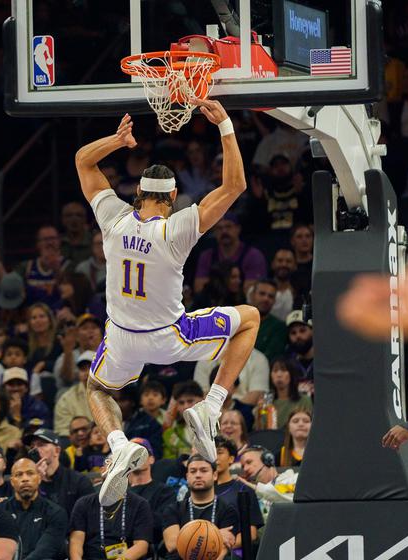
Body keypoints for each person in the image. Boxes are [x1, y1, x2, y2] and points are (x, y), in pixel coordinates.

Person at [75, 104, 260, 506]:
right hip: (170, 338)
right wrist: (225, 126)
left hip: (122, 338)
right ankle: (211, 407)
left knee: (96, 389)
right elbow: (234, 186)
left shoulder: (113, 218)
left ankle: (118, 443)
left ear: (137, 194)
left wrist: (118, 141)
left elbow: (83, 161)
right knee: (250, 318)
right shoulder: (176, 228)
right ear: (173, 196)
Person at [161, 456, 239, 559]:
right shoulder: (173, 509)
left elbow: (223, 549)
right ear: (187, 477)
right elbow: (171, 544)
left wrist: (189, 538)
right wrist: (215, 536)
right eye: (193, 471)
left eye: (203, 470)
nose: (198, 475)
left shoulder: (228, 510)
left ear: (214, 475)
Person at [1, 458, 68, 560]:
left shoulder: (55, 512)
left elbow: (46, 550)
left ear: (39, 478)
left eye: (30, 473)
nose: (25, 479)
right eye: (19, 474)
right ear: (12, 482)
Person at [68, 488, 153, 560]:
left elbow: (141, 546)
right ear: (103, 471)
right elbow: (76, 542)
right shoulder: (84, 503)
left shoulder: (140, 504)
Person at [27, 428, 95, 517]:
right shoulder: (29, 483)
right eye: (32, 447)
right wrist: (37, 482)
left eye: (41, 445)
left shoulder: (78, 481)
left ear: (57, 451)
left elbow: (91, 515)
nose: (35, 450)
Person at [127, 438, 176, 551]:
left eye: (141, 452)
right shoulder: (119, 493)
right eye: (131, 453)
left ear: (151, 459)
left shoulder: (165, 492)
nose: (136, 457)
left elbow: (161, 523)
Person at [212, 437, 262, 546]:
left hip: (233, 553)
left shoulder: (244, 490)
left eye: (219, 452)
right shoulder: (198, 491)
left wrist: (221, 548)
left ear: (231, 458)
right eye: (211, 452)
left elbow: (251, 533)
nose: (214, 457)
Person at [55, 352, 96, 436]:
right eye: (83, 369)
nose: (87, 373)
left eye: (92, 368)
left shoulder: (114, 394)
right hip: (78, 444)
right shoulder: (66, 399)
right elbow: (62, 430)